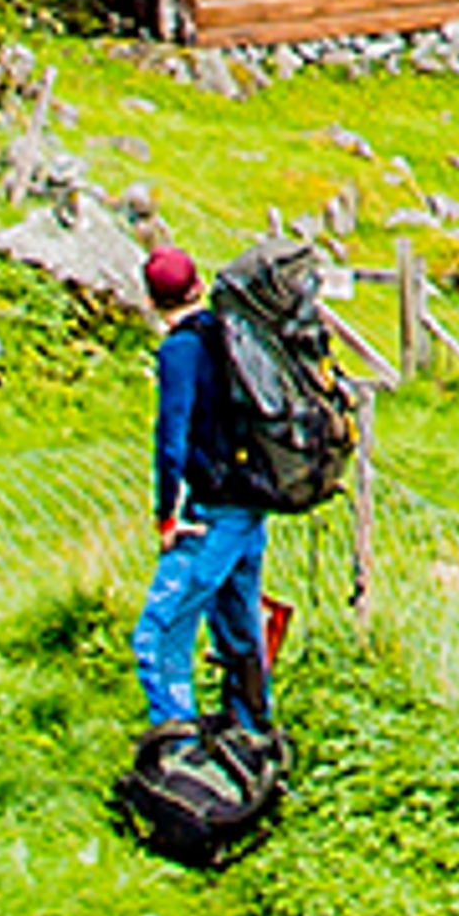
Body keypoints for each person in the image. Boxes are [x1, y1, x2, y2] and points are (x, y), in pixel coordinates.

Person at [131, 242, 272, 738]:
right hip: (252, 500)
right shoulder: (233, 333)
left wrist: (167, 514)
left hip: (211, 508)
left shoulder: (181, 350)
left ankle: (177, 746)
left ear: (151, 301)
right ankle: (253, 731)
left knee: (159, 632)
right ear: (198, 286)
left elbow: (171, 435)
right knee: (237, 620)